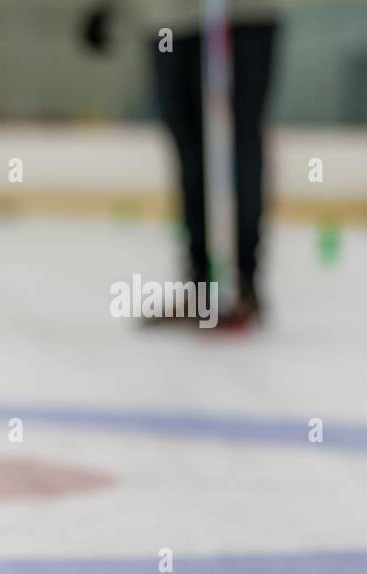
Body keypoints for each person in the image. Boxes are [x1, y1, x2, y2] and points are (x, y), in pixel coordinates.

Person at [83, 0, 289, 328]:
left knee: (236, 142)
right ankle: (200, 284)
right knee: (190, 152)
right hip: (169, 19)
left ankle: (241, 284)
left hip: (244, 15)